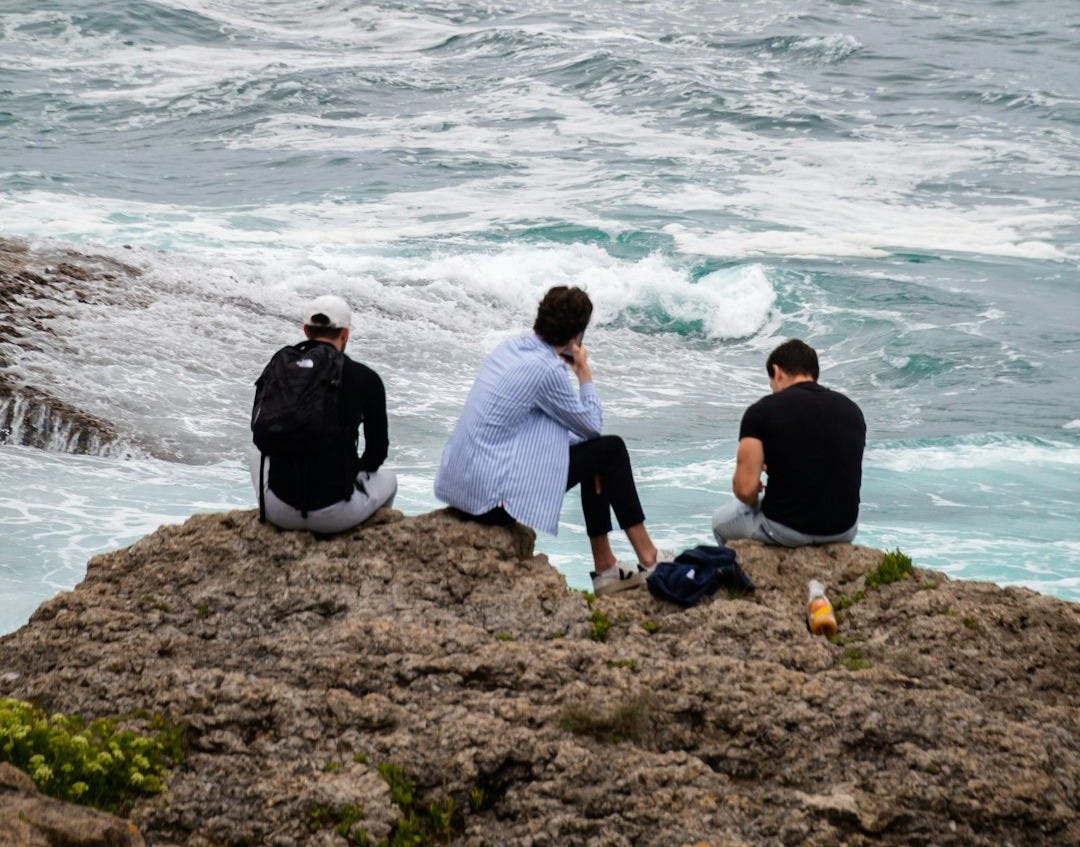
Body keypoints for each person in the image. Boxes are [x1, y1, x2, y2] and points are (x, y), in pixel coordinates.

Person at [434, 286, 671, 596]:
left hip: (461, 486)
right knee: (610, 450)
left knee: (596, 457)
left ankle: (606, 567)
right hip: (490, 501)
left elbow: (548, 429)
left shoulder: (511, 348)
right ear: (578, 336)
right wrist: (584, 372)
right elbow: (591, 426)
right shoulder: (548, 370)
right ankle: (649, 558)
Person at [250, 294, 397, 534]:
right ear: (345, 334)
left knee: (254, 456)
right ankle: (370, 538)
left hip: (278, 510)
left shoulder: (279, 367)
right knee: (389, 479)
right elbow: (376, 455)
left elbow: (259, 437)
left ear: (306, 330)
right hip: (335, 514)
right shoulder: (365, 377)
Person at [712, 338, 865, 547]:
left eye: (771, 382)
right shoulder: (852, 410)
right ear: (813, 372)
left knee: (720, 521)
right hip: (844, 529)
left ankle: (739, 576)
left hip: (785, 529)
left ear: (777, 371)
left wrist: (753, 486)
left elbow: (745, 491)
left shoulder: (761, 411)